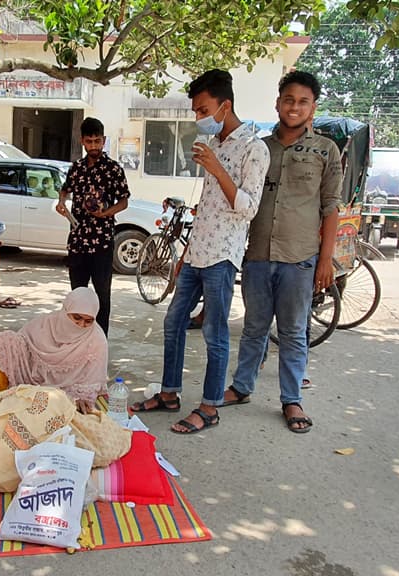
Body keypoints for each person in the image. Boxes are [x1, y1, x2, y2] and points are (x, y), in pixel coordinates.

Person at [130, 69, 268, 434]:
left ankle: (209, 407)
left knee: (215, 333)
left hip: (223, 256)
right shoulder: (217, 146)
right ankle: (170, 393)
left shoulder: (255, 148)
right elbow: (207, 207)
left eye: (202, 110)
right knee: (173, 321)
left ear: (225, 106)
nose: (198, 118)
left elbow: (248, 207)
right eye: (195, 111)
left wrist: (217, 168)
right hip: (196, 253)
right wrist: (186, 253)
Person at [222, 70, 342, 434]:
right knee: (254, 327)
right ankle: (242, 387)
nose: (294, 107)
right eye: (288, 99)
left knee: (292, 331)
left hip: (300, 257)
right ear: (277, 103)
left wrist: (326, 260)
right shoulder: (258, 148)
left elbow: (331, 207)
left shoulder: (325, 150)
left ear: (313, 107)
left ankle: (291, 399)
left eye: (303, 101)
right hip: (257, 254)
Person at [0, 287, 108, 414]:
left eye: (88, 321)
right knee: (7, 338)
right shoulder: (46, 323)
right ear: (65, 311)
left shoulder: (97, 339)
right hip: (28, 382)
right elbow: (14, 342)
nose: (81, 324)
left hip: (66, 395)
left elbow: (91, 382)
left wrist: (78, 401)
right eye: (77, 318)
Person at [55, 117, 130, 336]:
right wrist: (61, 203)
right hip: (78, 240)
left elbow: (124, 201)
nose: (94, 146)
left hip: (102, 242)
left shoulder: (113, 169)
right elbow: (64, 189)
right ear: (82, 141)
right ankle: (76, 338)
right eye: (90, 141)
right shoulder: (76, 168)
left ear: (104, 140)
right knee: (77, 295)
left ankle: (100, 342)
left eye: (98, 141)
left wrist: (105, 213)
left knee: (101, 296)